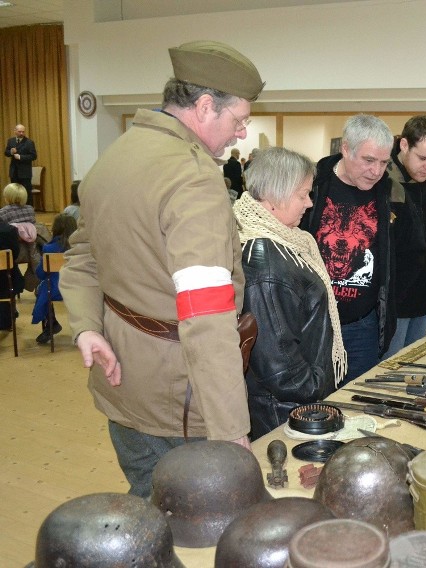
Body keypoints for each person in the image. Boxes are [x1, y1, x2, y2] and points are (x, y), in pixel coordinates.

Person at [60, 40, 265, 499]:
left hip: (121, 382)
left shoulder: (113, 159)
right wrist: (231, 430)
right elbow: (207, 316)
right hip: (181, 402)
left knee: (145, 502)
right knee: (189, 523)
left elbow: (81, 259)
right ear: (206, 106)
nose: (240, 135)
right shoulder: (192, 180)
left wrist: (85, 328)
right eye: (238, 122)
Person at [234, 147, 346, 439]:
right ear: (276, 194)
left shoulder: (290, 241)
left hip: (292, 402)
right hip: (282, 411)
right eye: (302, 195)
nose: (309, 203)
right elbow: (277, 361)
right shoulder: (265, 261)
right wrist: (314, 386)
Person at [300, 114, 402, 383]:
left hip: (362, 326)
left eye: (384, 162)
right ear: (346, 148)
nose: (377, 171)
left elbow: (406, 253)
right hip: (313, 322)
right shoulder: (311, 185)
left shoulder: (390, 193)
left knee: (354, 403)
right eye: (369, 160)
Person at [384, 115, 426, 358]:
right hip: (394, 290)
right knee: (390, 362)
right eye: (422, 158)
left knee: (416, 359)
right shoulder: (383, 179)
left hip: (425, 283)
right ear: (403, 145)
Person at [33, 213, 77, 344]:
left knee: (41, 290)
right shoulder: (79, 248)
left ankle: (51, 324)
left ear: (55, 228)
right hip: (79, 288)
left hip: (55, 291)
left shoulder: (49, 248)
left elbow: (40, 274)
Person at [4, 125, 37, 206]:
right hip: (14, 171)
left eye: (23, 131)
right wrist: (11, 152)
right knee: (14, 193)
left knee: (26, 192)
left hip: (25, 172)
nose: (21, 133)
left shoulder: (29, 142)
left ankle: (28, 210)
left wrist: (21, 157)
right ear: (15, 131)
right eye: (19, 131)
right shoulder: (10, 141)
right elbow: (6, 152)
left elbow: (34, 156)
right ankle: (15, 209)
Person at [0, 220, 24, 330]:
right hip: (7, 276)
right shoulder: (10, 230)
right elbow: (15, 253)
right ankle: (7, 320)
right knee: (11, 278)